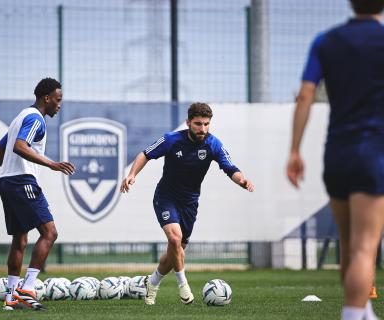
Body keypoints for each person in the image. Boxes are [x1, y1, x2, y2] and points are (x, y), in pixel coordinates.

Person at [286, 1, 384, 319]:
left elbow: (305, 95)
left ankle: (364, 312)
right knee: (364, 247)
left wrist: (295, 149)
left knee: (348, 243)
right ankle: (353, 314)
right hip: (373, 155)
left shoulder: (326, 41)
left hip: (337, 155)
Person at [120, 102, 254, 305]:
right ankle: (183, 285)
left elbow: (230, 167)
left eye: (206, 124)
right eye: (198, 124)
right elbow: (144, 154)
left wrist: (242, 180)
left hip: (190, 203)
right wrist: (131, 175)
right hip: (165, 197)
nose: (203, 129)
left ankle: (152, 282)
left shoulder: (213, 144)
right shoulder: (171, 140)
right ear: (188, 122)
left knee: (176, 251)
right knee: (175, 239)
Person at [0, 77, 75, 311]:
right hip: (22, 182)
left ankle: (10, 298)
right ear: (46, 98)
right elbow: (20, 146)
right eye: (58, 100)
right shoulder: (36, 119)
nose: (59, 105)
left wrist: (11, 171)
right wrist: (50, 164)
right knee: (50, 233)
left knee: (19, 239)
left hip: (7, 182)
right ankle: (27, 288)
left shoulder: (21, 116)